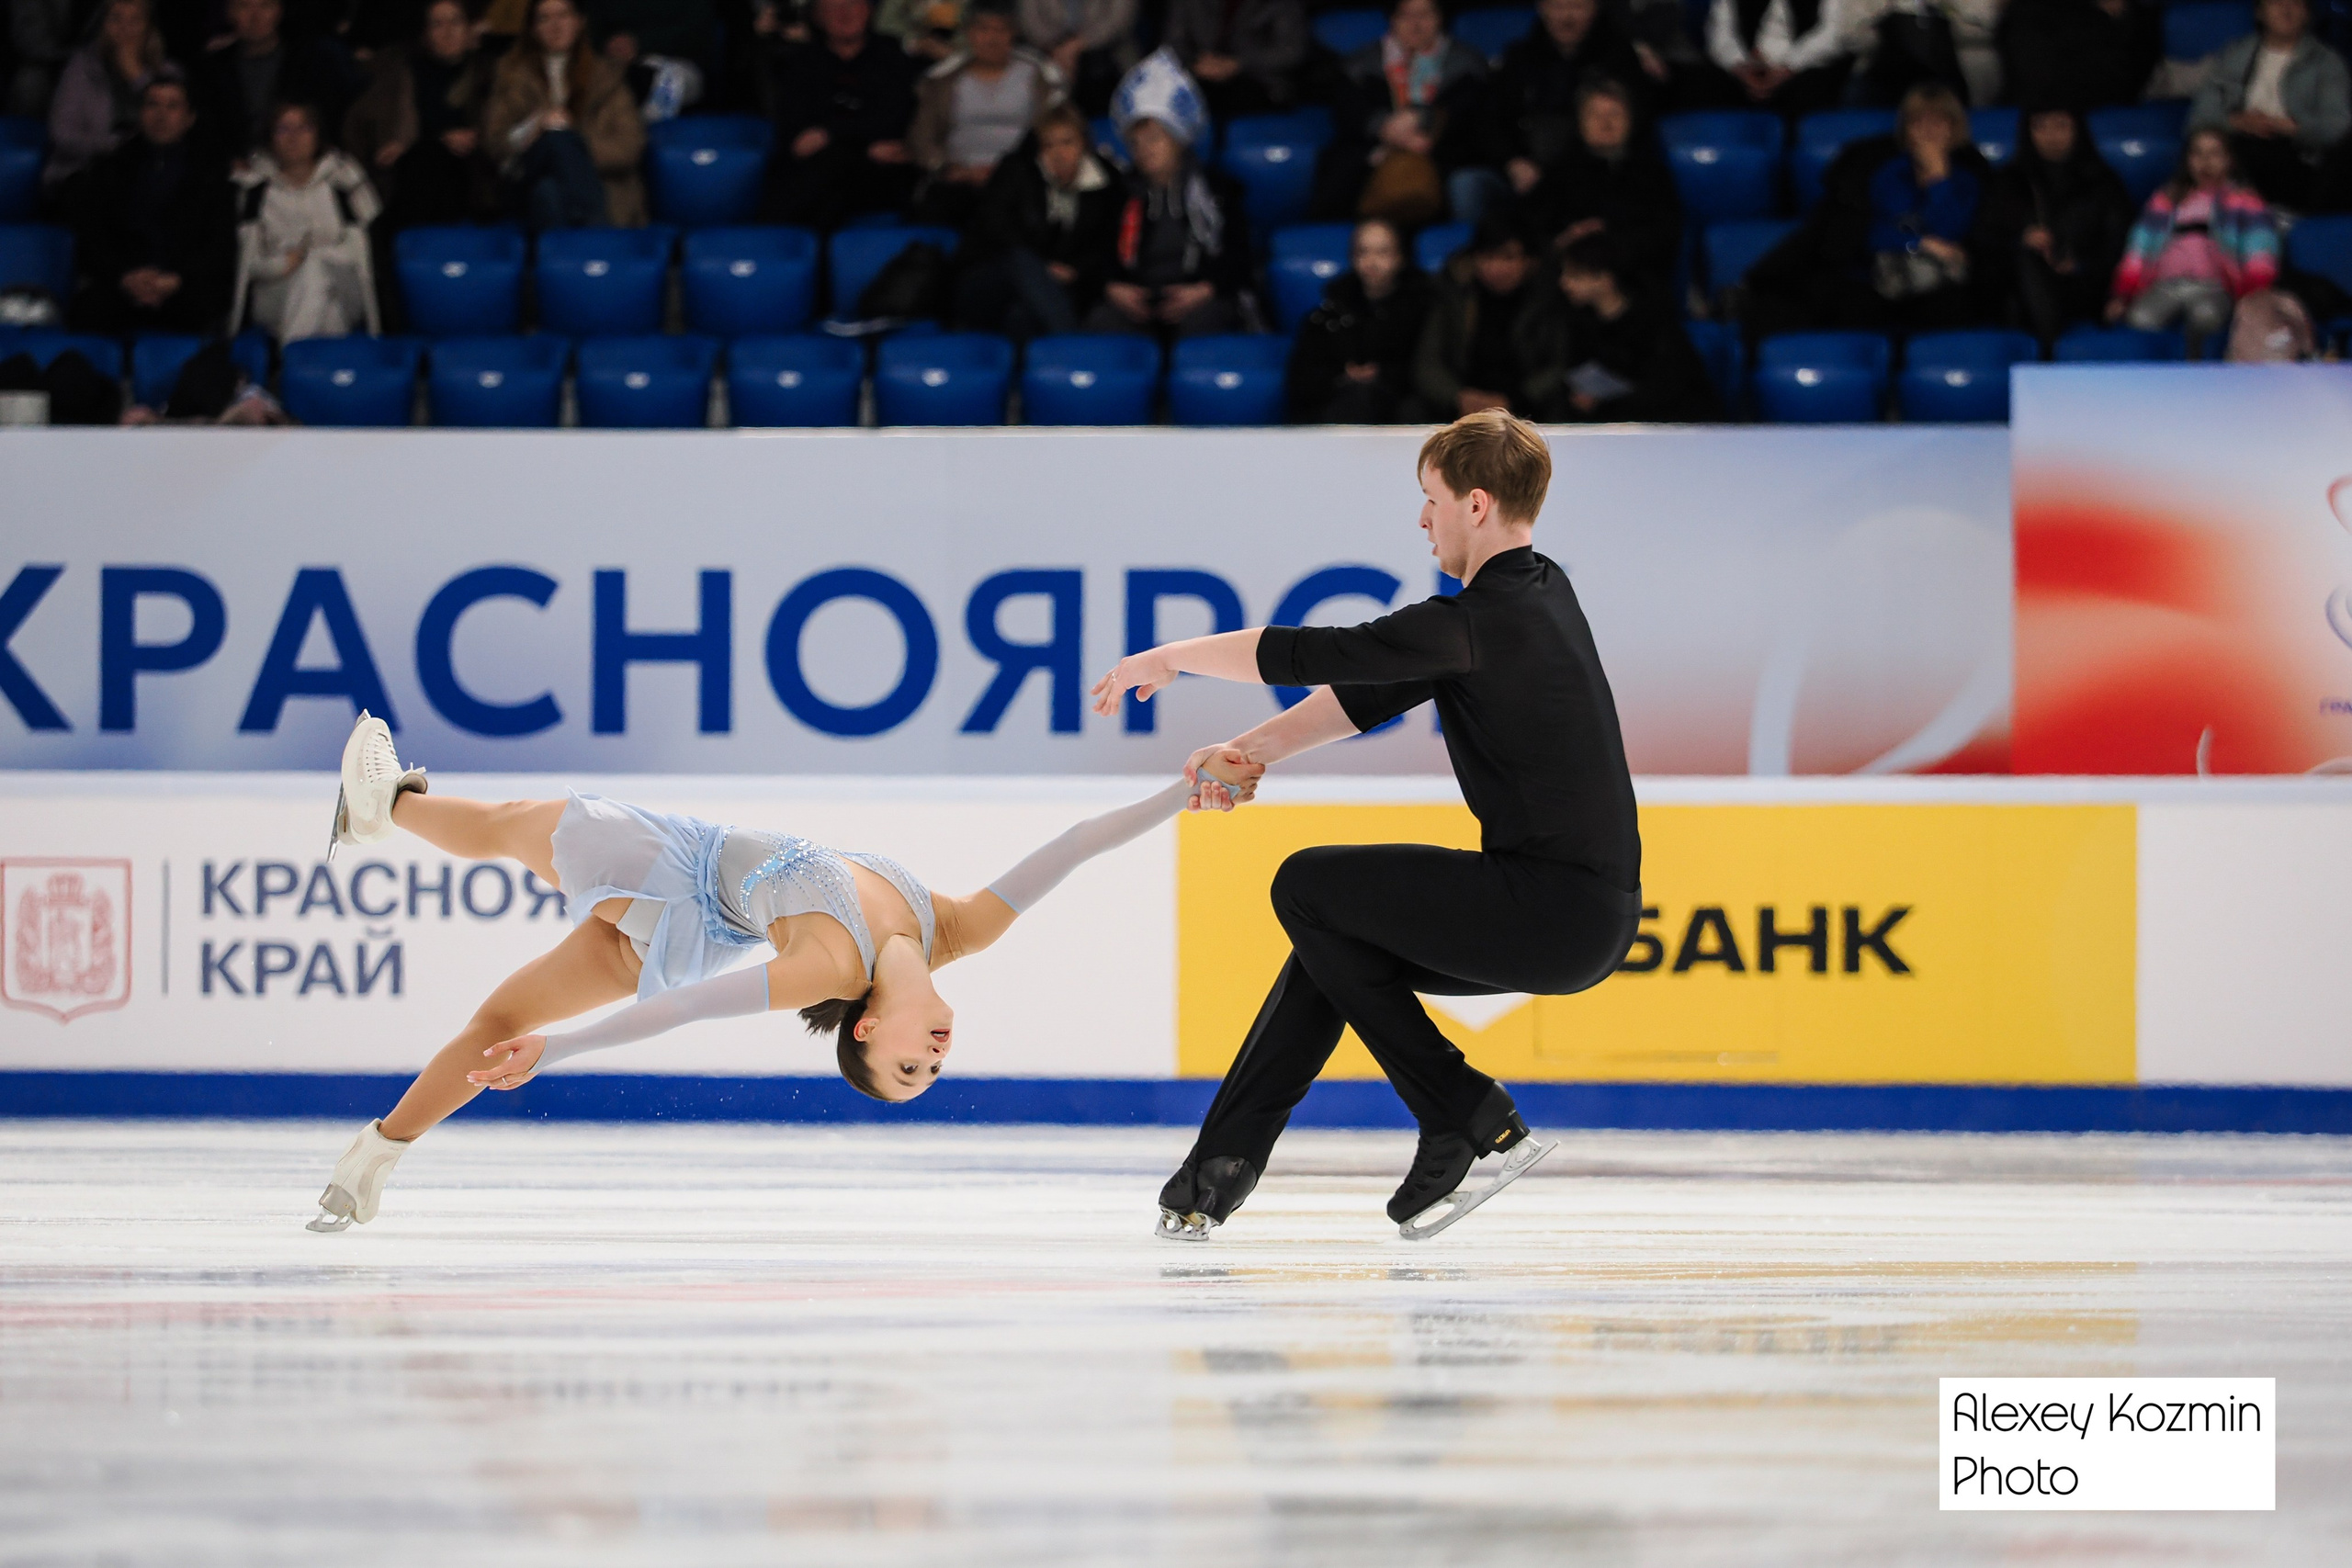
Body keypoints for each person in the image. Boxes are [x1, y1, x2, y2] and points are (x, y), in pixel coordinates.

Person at [302, 713, 1260, 1232]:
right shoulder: (955, 930)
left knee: (524, 843)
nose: (933, 1056)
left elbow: (676, 1014)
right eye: (934, 1072)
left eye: (906, 1068)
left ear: (865, 1029)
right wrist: (1185, 790)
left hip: (673, 877)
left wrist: (554, 1053)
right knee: (507, 924)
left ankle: (386, 806)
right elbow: (1078, 845)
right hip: (693, 917)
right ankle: (372, 1161)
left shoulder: (822, 967)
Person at [1091, 410, 1641, 1240]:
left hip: (1551, 908)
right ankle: (1215, 1174)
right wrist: (1250, 751)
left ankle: (1462, 1107)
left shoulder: (1474, 623)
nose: (1423, 518)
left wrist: (1168, 658)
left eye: (1431, 498)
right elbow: (1369, 693)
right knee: (1332, 945)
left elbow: (1319, 654)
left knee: (1307, 883)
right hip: (1582, 913)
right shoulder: (1534, 595)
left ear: (1477, 504)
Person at [1744, 81, 1989, 333]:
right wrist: (1920, 243)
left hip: (1939, 282)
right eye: (1918, 123)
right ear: (1906, 130)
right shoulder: (1889, 175)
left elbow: (1950, 231)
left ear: (1953, 129)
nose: (1928, 133)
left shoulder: (1966, 180)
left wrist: (1939, 181)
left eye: (1938, 123)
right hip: (1884, 274)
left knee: (1953, 306)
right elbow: (1874, 234)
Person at [1084, 52, 1254, 339]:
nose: (1144, 149)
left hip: (1198, 296)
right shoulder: (1119, 193)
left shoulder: (1216, 190)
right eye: (1135, 142)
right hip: (1138, 299)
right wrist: (1113, 288)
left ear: (1177, 139)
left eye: (1154, 138)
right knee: (1102, 323)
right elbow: (1095, 254)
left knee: (1202, 326)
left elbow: (1240, 256)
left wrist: (1205, 290)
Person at [71, 68, 238, 334]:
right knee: (86, 310)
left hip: (184, 288)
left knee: (206, 309)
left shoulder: (212, 173)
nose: (161, 115)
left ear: (189, 117)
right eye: (153, 105)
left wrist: (175, 280)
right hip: (122, 285)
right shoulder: (109, 168)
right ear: (140, 114)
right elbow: (92, 237)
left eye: (173, 106)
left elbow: (218, 245)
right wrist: (125, 277)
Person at [1470, 0, 1654, 224]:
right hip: (1525, 171)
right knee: (1469, 184)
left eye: (1577, 7)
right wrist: (1512, 161)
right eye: (1558, 6)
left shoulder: (1619, 58)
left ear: (1595, 9)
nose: (1567, 17)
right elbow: (1491, 120)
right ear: (1542, 8)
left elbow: (1637, 123)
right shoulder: (1519, 57)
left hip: (1593, 174)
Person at [1313, 0, 1490, 227]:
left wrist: (1422, 120)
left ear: (1441, 18)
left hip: (1443, 155)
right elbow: (1349, 113)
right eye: (1406, 15)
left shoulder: (1468, 64)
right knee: (1340, 168)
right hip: (1373, 154)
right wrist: (1385, 129)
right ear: (1392, 19)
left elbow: (1470, 113)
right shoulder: (1360, 64)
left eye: (1425, 15)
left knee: (1467, 180)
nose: (1415, 24)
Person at [2108, 125, 2280, 355]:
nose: (2205, 162)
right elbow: (2139, 249)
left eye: (2214, 154)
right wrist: (2123, 294)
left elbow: (2260, 253)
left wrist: (2252, 296)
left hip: (2214, 287)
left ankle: (2196, 371)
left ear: (2230, 159)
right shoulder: (2166, 199)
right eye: (2197, 153)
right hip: (2166, 286)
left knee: (2205, 316)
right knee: (2141, 318)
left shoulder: (2245, 201)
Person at [954, 100, 1121, 337]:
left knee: (1022, 318)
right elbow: (995, 231)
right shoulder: (1016, 173)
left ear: (1083, 143)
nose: (1059, 154)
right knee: (1021, 261)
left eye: (1067, 142)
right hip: (992, 281)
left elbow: (1108, 244)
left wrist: (1077, 270)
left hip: (1060, 288)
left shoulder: (1107, 183)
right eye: (1049, 145)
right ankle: (1070, 343)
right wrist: (1043, 269)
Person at [1978, 102, 2132, 346]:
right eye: (2041, 126)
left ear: (2078, 129)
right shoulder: (2008, 182)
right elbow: (1983, 240)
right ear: (2027, 132)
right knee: (2025, 263)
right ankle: (2047, 346)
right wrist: (2022, 240)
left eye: (2061, 125)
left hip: (2084, 288)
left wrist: (2078, 264)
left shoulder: (2103, 182)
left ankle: (2047, 351)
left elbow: (2120, 243)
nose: (2051, 136)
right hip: (2018, 292)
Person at [485, 0, 648, 229]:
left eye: (563, 16)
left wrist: (573, 142)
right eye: (545, 18)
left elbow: (629, 147)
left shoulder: (608, 77)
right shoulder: (512, 75)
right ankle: (595, 235)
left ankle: (566, 256)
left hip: (600, 185)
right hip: (527, 174)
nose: (555, 26)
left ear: (580, 22)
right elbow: (496, 142)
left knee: (549, 190)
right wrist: (536, 126)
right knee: (554, 140)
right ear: (533, 29)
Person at [230, 100, 382, 343]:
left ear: (318, 134)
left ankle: (289, 362)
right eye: (283, 129)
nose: (294, 137)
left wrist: (310, 257)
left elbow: (366, 245)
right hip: (276, 293)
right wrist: (283, 264)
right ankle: (317, 372)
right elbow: (250, 263)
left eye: (304, 128)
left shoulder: (343, 179)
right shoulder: (255, 189)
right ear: (270, 137)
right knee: (323, 302)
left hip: (342, 287)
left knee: (315, 270)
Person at [1524, 233, 1719, 421]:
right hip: (1608, 427)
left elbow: (1668, 387)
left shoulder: (1653, 324)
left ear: (1605, 279)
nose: (1564, 283)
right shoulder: (1579, 323)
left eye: (1575, 275)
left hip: (1664, 426)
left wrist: (1607, 404)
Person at [762, 0, 922, 228]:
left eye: (853, 5)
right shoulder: (801, 64)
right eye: (833, 8)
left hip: (878, 174)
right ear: (817, 17)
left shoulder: (893, 58)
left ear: (868, 10)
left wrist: (830, 132)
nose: (845, 14)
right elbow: (798, 138)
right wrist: (861, 142)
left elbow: (894, 120)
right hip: (823, 169)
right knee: (819, 178)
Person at [344, 0, 498, 232]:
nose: (447, 31)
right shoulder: (401, 75)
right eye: (438, 24)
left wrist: (477, 137)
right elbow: (358, 124)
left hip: (477, 169)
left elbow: (504, 126)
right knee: (427, 159)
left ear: (469, 30)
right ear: (426, 34)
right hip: (418, 171)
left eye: (455, 21)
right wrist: (387, 145)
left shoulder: (492, 72)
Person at [907, 0, 1062, 228]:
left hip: (1023, 179)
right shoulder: (941, 80)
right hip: (958, 178)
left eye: (1001, 29)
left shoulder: (1040, 76)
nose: (992, 38)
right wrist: (949, 168)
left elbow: (1058, 127)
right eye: (983, 29)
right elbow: (921, 138)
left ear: (1013, 34)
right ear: (968, 33)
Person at [2186, 0, 2350, 211]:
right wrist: (2238, 122)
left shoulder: (2326, 63)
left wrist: (2289, 127)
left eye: (2296, 3)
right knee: (2209, 151)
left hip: (2297, 150)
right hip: (2240, 143)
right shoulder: (2235, 54)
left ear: (2308, 14)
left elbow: (2337, 126)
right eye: (2276, 2)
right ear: (2260, 13)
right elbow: (2200, 115)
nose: (2286, 9)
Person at [1518, 76, 1680, 284]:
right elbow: (1531, 227)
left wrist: (1608, 234)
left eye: (1614, 114)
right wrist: (1565, 239)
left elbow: (1665, 234)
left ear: (1631, 120)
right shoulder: (1561, 171)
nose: (1606, 123)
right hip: (1566, 280)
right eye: (1595, 115)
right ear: (1580, 122)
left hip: (1632, 282)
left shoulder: (1652, 173)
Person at [1286, 216, 1431, 423]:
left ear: (1401, 257)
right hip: (1342, 404)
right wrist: (1342, 375)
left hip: (1399, 405)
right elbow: (1303, 378)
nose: (1372, 262)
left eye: (1383, 252)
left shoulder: (1424, 307)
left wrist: (1382, 374)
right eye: (1363, 252)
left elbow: (1427, 369)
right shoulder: (1329, 313)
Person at [1410, 213, 1547, 418]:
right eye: (1488, 257)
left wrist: (1514, 400)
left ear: (1529, 261)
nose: (1496, 267)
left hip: (1525, 407)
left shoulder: (1546, 299)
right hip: (1461, 404)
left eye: (1508, 257)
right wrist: (1458, 397)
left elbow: (1556, 366)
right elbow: (1428, 362)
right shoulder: (1453, 295)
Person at [192, 0, 353, 157]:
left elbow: (328, 116)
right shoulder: (213, 69)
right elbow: (207, 128)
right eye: (243, 6)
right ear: (229, 12)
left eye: (266, 5)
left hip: (301, 165)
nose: (255, 16)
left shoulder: (311, 61)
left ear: (279, 10)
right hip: (237, 169)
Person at [44, 0, 167, 188]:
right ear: (103, 24)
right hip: (82, 175)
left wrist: (138, 79)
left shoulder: (168, 74)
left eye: (135, 20)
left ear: (149, 28)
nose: (124, 29)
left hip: (146, 179)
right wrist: (114, 146)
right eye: (116, 19)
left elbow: (173, 130)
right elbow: (62, 134)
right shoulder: (81, 68)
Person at [1997, 0, 2162, 114]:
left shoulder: (2133, 14)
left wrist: (2119, 19)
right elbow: (2035, 78)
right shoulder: (2027, 13)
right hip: (2043, 110)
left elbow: (2132, 76)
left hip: (2109, 103)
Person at [1702, 0, 1857, 118]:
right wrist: (1741, 68)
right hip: (1745, 66)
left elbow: (1831, 33)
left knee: (1810, 91)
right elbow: (1720, 31)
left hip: (1802, 67)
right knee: (1705, 83)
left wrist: (1787, 67)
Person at [1160, 0, 1307, 120]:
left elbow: (1291, 51)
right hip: (1198, 76)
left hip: (1260, 82)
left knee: (1233, 97)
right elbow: (1173, 43)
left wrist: (1237, 64)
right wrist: (1197, 64)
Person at [1013, 0, 1136, 114]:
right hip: (1050, 52)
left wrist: (1077, 44)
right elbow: (1030, 21)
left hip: (1108, 53)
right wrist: (1058, 48)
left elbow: (1120, 18)